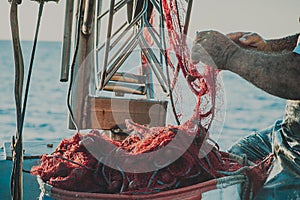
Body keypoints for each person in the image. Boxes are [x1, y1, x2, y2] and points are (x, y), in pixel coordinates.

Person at [191, 30, 300, 199]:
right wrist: (267, 48)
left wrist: (230, 55)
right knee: (236, 158)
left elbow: (296, 78)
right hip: (291, 130)